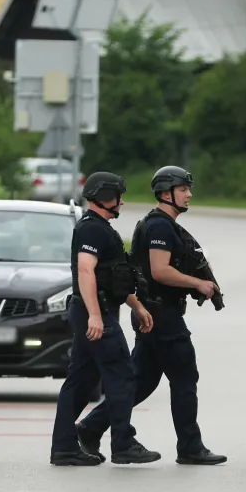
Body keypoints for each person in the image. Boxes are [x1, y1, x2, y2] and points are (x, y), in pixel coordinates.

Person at [77, 166, 226, 466]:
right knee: (184, 376)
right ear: (166, 193)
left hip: (153, 312)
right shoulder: (159, 227)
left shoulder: (161, 224)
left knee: (141, 381)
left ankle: (90, 428)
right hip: (161, 314)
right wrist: (198, 283)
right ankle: (190, 447)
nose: (189, 194)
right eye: (183, 189)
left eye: (188, 189)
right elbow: (159, 270)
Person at [50, 171, 159, 466]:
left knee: (81, 381)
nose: (121, 202)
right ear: (106, 197)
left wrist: (137, 306)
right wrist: (96, 316)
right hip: (95, 312)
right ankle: (123, 444)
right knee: (122, 376)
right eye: (118, 197)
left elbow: (113, 278)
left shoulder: (99, 228)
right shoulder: (92, 230)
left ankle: (64, 447)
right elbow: (86, 271)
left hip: (94, 309)